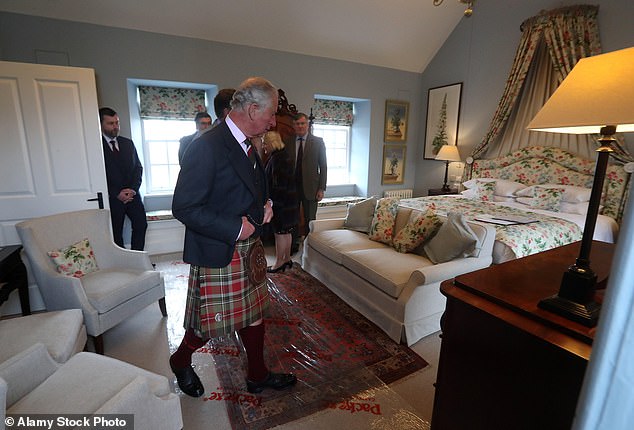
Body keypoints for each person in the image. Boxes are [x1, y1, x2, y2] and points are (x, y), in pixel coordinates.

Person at [170, 77, 297, 397]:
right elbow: (184, 207)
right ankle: (180, 359)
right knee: (210, 323)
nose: (272, 122)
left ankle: (258, 375)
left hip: (249, 249)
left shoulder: (248, 142)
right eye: (269, 115)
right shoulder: (207, 146)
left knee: (254, 315)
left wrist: (264, 204)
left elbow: (251, 186)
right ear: (252, 109)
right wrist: (234, 228)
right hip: (221, 247)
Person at [99, 107, 147, 251]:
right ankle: (123, 263)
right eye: (111, 123)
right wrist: (116, 193)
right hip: (113, 198)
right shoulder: (96, 146)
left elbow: (137, 168)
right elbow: (100, 174)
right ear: (101, 124)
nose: (115, 127)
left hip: (133, 195)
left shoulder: (128, 143)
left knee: (141, 225)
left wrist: (133, 189)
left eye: (117, 123)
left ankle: (137, 260)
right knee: (116, 231)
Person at [287, 112, 327, 254]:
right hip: (292, 188)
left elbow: (323, 166)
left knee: (311, 218)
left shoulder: (318, 142)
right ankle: (293, 245)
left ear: (308, 125)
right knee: (292, 218)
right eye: (297, 124)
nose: (300, 126)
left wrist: (321, 188)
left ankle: (311, 247)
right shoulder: (288, 141)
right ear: (293, 126)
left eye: (303, 123)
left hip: (311, 187)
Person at [262, 131, 298, 272]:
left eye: (265, 143)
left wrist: (273, 204)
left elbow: (279, 185)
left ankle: (279, 263)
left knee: (279, 233)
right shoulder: (283, 156)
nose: (264, 146)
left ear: (271, 143)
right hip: (289, 202)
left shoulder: (278, 159)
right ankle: (286, 259)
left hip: (281, 203)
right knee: (286, 232)